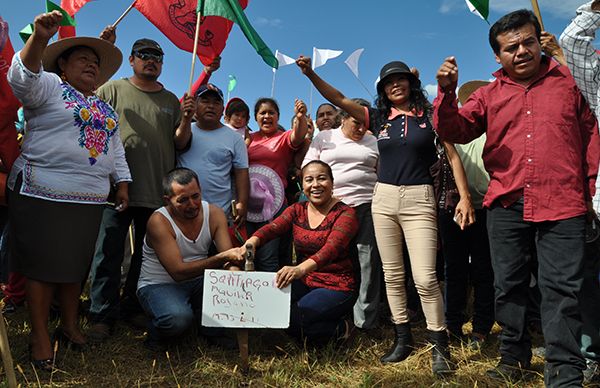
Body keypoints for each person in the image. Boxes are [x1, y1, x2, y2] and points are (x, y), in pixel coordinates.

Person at [434, 9, 600, 386]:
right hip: (507, 204)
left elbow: (592, 139)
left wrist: (590, 191)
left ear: (538, 41)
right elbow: (456, 130)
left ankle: (565, 370)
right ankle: (514, 358)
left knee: (562, 289)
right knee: (508, 285)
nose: (521, 51)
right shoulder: (489, 95)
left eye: (528, 42)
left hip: (564, 202)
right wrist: (445, 93)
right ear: (498, 56)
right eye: (511, 47)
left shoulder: (571, 84)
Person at [296, 57, 470, 376]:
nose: (395, 84)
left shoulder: (430, 116)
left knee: (425, 278)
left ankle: (439, 346)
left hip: (420, 199)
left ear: (411, 83)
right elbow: (337, 98)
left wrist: (465, 198)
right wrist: (310, 74)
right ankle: (401, 340)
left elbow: (453, 155)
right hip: (383, 199)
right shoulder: (378, 118)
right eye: (389, 81)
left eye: (401, 79)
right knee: (391, 275)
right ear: (383, 90)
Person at [6, 11, 130, 370]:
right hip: (42, 191)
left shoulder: (104, 107)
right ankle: (40, 334)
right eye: (82, 60)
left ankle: (71, 325)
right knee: (43, 267)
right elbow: (20, 79)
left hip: (89, 198)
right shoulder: (48, 85)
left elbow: (115, 150)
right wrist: (40, 39)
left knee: (74, 267)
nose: (91, 66)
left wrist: (122, 183)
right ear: (62, 65)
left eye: (95, 62)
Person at [87, 37, 198, 342]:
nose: (151, 60)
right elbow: (91, 125)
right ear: (132, 60)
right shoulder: (112, 89)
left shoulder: (172, 101)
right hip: (114, 188)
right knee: (107, 252)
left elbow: (180, 142)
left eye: (157, 57)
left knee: (146, 257)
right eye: (144, 55)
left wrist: (187, 118)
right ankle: (101, 315)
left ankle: (131, 306)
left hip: (156, 191)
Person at [243, 161, 358, 344]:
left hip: (336, 285)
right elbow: (273, 227)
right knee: (272, 310)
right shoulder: (297, 210)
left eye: (322, 178)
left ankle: (342, 329)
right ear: (302, 185)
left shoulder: (346, 213)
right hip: (304, 280)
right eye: (309, 180)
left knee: (293, 319)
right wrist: (253, 240)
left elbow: (330, 250)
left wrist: (299, 269)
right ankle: (313, 325)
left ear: (332, 182)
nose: (315, 185)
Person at [137, 168, 244, 349]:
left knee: (231, 285)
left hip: (198, 281)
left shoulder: (214, 213)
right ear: (167, 201)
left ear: (201, 190)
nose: (192, 204)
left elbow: (228, 259)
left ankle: (211, 331)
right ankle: (158, 331)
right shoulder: (158, 221)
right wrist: (222, 258)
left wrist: (235, 278)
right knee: (177, 319)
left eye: (196, 196)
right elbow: (178, 272)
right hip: (159, 284)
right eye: (183, 200)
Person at [302, 99, 381, 331]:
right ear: (343, 118)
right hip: (331, 209)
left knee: (368, 262)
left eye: (365, 124)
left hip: (367, 206)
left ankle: (365, 322)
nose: (361, 129)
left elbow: (381, 173)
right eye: (356, 122)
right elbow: (308, 168)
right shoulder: (325, 138)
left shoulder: (374, 141)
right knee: (331, 261)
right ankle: (332, 309)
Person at [560, 3, 600, 383]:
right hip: (596, 203)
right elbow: (571, 41)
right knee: (584, 281)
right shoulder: (598, 87)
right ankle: (591, 354)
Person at [441, 81, 495, 349]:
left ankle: (482, 326)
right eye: (469, 99)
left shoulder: (494, 130)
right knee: (455, 269)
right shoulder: (453, 132)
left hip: (488, 208)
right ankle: (452, 324)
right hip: (455, 210)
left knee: (484, 269)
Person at [246, 98, 308, 271]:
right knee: (246, 256)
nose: (267, 116)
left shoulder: (284, 137)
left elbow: (299, 135)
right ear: (255, 117)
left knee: (267, 258)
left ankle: (269, 297)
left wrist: (301, 117)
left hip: (273, 208)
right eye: (262, 113)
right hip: (246, 208)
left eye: (271, 112)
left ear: (278, 117)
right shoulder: (248, 138)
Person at [177, 84, 249, 224]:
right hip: (182, 213)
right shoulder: (185, 129)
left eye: (216, 103)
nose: (211, 106)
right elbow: (179, 143)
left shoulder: (235, 139)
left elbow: (241, 173)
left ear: (223, 110)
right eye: (205, 101)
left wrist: (242, 203)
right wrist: (185, 119)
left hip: (218, 215)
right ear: (195, 104)